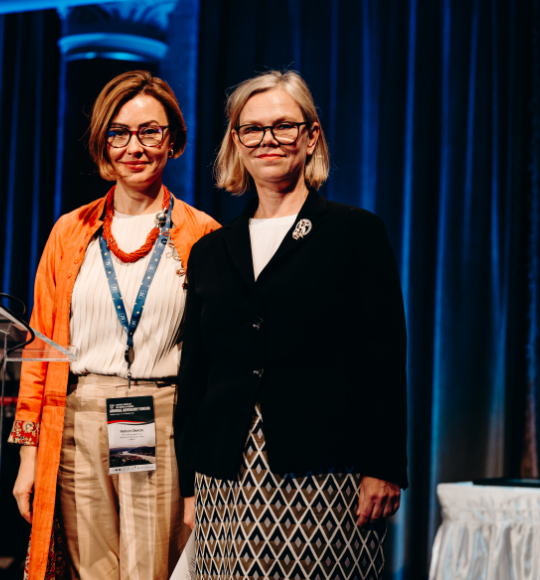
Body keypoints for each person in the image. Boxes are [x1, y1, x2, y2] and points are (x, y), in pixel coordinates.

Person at [174, 70, 408, 580]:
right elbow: (196, 374)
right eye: (252, 129)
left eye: (284, 125)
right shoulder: (211, 249)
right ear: (236, 141)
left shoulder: (356, 233)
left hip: (326, 470)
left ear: (311, 135)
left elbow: (383, 359)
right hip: (224, 475)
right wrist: (189, 483)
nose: (269, 140)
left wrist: (384, 466)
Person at [10, 70, 219, 580]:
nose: (135, 146)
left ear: (173, 139)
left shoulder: (203, 236)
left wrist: (203, 477)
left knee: (149, 569)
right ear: (103, 142)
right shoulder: (69, 232)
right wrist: (28, 457)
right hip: (77, 416)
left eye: (150, 131)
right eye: (119, 133)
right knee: (92, 570)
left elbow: (215, 364)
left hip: (160, 415)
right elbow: (39, 350)